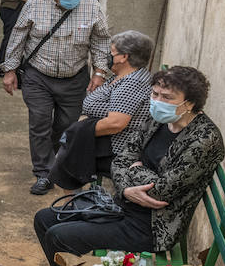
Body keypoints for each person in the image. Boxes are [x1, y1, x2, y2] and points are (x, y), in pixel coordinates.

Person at [32, 66, 224, 266]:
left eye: (167, 97)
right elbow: (123, 157)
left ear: (189, 103)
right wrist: (129, 187)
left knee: (60, 235)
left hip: (151, 226)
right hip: (124, 205)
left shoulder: (203, 139)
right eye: (155, 93)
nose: (156, 101)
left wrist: (133, 174)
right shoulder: (159, 119)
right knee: (45, 219)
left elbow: (162, 190)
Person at [1, 0, 110, 195]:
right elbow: (18, 36)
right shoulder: (36, 2)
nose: (73, 0)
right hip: (38, 75)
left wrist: (99, 72)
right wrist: (10, 70)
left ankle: (52, 160)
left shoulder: (91, 5)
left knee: (66, 126)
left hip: (74, 77)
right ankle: (44, 173)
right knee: (39, 122)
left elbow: (100, 40)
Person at [48, 30, 154, 187]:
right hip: (104, 140)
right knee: (67, 148)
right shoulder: (121, 76)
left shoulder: (132, 82)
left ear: (124, 57)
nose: (108, 56)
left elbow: (116, 123)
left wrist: (79, 131)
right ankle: (70, 202)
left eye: (112, 52)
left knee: (67, 153)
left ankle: (70, 204)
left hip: (115, 147)